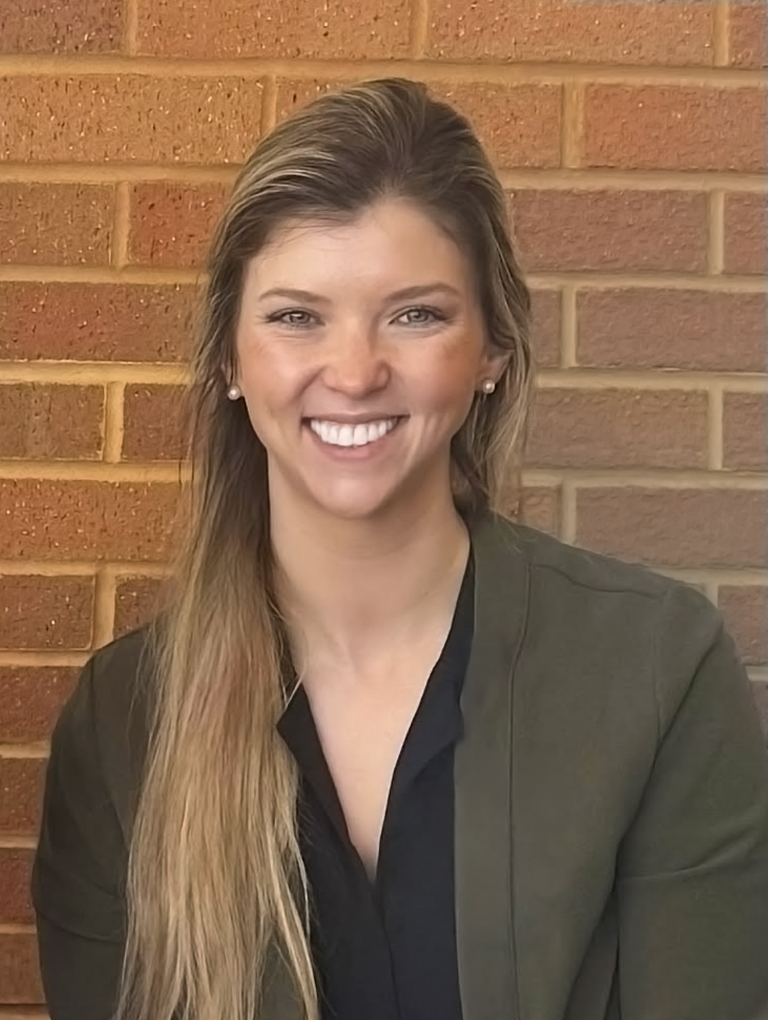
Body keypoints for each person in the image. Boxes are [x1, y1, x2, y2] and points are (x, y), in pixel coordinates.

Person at [32, 77, 768, 1020]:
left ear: (493, 350)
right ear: (229, 357)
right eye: (297, 316)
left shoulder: (656, 668)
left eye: (416, 314)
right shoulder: (126, 720)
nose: (353, 371)